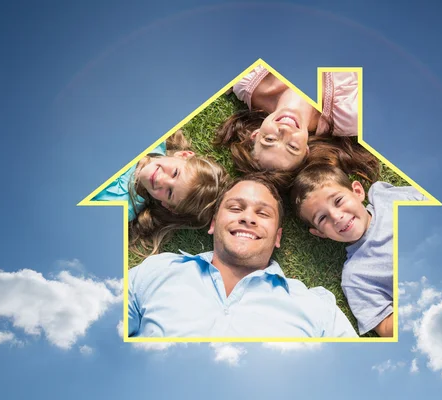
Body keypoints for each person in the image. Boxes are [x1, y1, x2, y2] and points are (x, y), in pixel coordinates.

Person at [128, 174, 359, 338]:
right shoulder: (157, 271)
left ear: (278, 237)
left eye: (263, 213)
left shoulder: (315, 307)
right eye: (236, 208)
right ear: (213, 223)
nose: (248, 218)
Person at [291, 165, 427, 337]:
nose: (336, 216)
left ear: (357, 191)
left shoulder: (384, 197)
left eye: (338, 201)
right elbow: (385, 327)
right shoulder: (356, 276)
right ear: (319, 233)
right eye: (322, 217)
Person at [93, 130, 230, 257]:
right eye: (175, 173)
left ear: (168, 206)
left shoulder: (121, 206)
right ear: (183, 155)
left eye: (169, 192)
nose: (160, 180)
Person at [214, 65, 359, 174]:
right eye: (293, 147)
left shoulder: (247, 82)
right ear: (306, 151)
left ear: (256, 134)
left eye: (269, 139)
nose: (284, 131)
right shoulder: (349, 115)